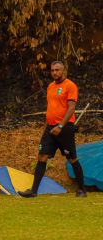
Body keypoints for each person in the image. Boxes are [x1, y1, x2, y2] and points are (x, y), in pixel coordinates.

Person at [19, 61, 87, 197]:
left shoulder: (70, 86)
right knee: (42, 156)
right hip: (50, 128)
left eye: (57, 70)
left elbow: (71, 108)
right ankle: (33, 191)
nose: (54, 72)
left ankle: (82, 190)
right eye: (52, 70)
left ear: (63, 71)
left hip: (64, 128)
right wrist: (45, 130)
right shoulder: (50, 86)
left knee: (72, 159)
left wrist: (60, 125)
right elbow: (50, 110)